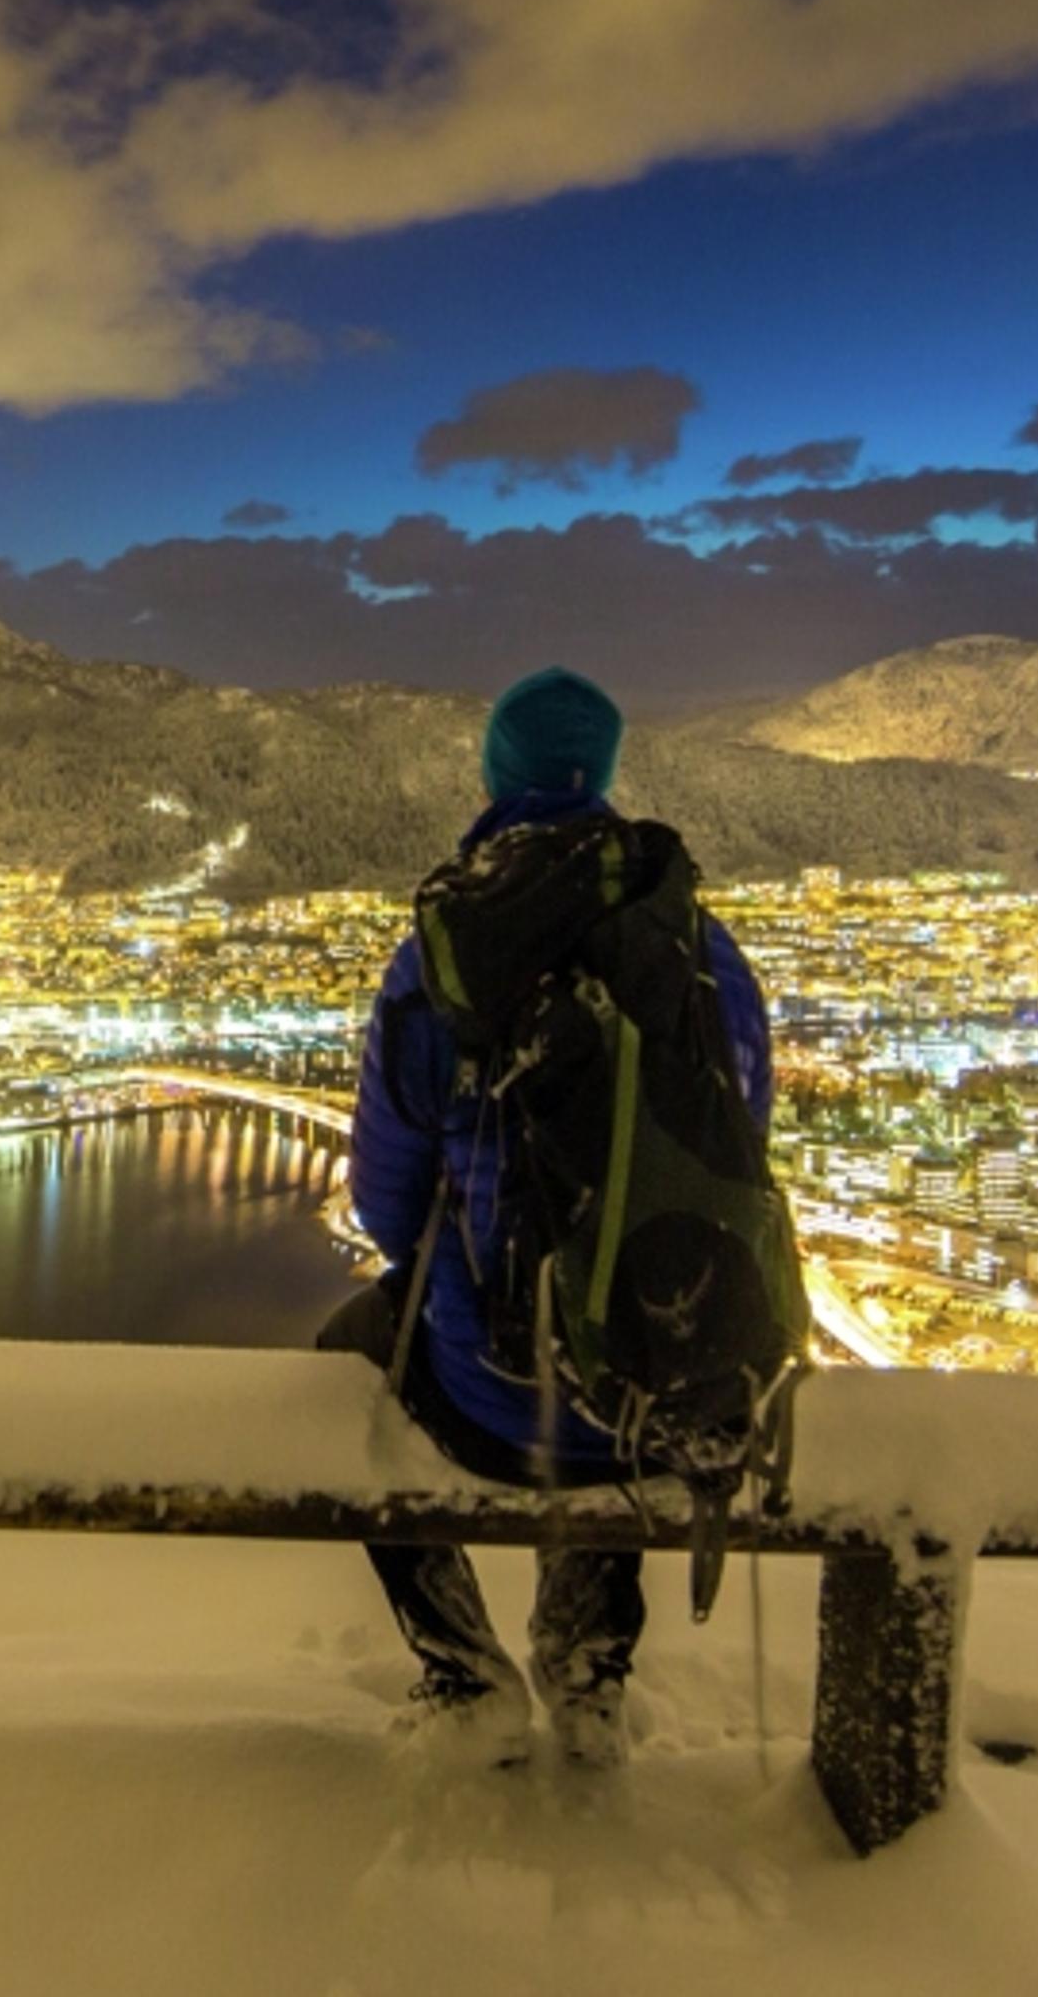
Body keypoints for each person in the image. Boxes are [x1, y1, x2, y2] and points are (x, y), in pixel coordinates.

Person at [317, 663, 774, 1769]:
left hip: (489, 1398)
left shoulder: (446, 956)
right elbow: (727, 1167)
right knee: (624, 1316)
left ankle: (462, 1669)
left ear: (493, 777)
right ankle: (586, 1663)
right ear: (607, 779)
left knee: (346, 1359)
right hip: (659, 1389)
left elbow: (383, 1202)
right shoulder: (704, 956)